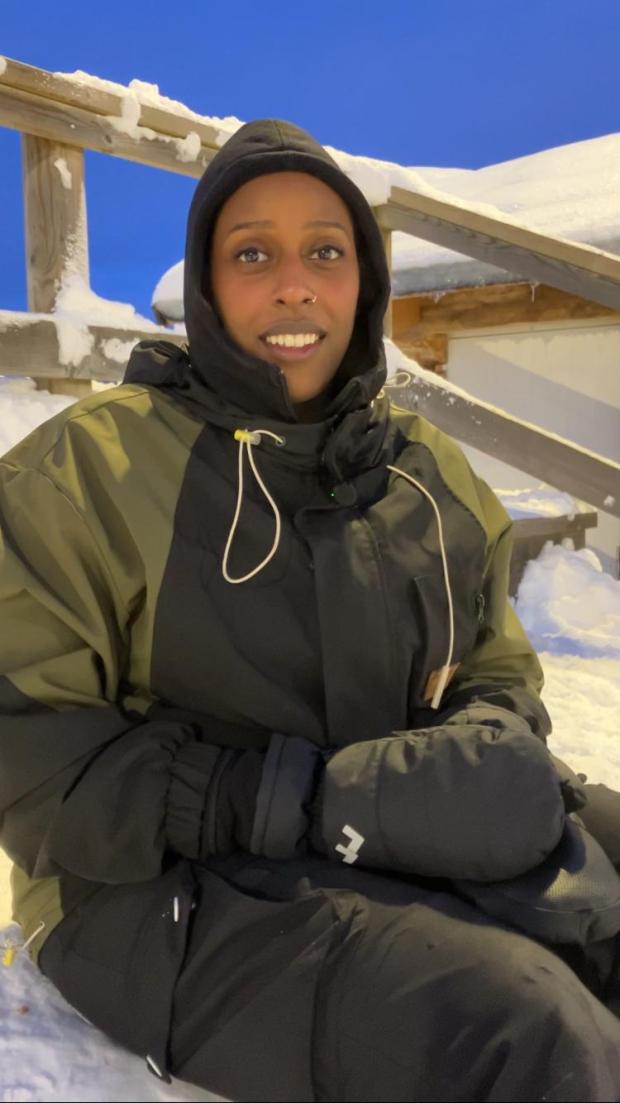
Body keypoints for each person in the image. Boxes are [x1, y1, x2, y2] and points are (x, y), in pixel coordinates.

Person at [1, 118, 620, 1103]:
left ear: (363, 281)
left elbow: (495, 667)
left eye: (324, 251)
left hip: (383, 822)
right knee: (525, 1028)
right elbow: (32, 760)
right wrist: (293, 799)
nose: (294, 284)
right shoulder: (87, 472)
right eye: (253, 252)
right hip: (136, 883)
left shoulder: (427, 475)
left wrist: (483, 750)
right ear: (206, 283)